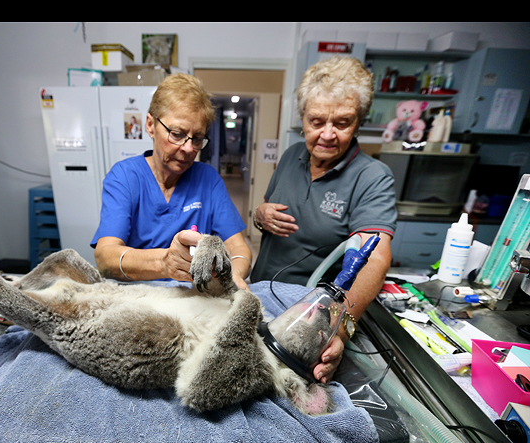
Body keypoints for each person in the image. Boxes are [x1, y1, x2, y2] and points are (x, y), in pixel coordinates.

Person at [250, 56, 397, 383]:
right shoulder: (291, 156)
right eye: (317, 122)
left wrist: (340, 331)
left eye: (342, 123)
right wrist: (260, 216)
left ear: (359, 122)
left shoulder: (372, 177)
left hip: (307, 318)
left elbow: (374, 258)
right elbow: (267, 207)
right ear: (302, 119)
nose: (328, 135)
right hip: (259, 296)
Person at [91, 73, 252, 290]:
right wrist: (165, 263)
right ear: (150, 125)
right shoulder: (125, 177)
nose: (188, 149)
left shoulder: (208, 179)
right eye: (177, 134)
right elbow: (104, 257)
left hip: (192, 297)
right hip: (137, 295)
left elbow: (239, 247)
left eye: (197, 139)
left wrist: (235, 275)